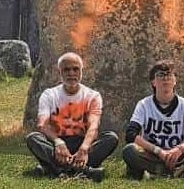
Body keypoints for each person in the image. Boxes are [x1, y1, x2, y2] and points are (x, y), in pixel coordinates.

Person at [26, 52, 118, 181]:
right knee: (33, 138)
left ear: (81, 71)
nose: (71, 73)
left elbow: (93, 125)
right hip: (56, 143)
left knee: (111, 138)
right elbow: (43, 125)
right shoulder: (49, 95)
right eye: (66, 69)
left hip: (82, 141)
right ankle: (84, 170)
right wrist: (58, 142)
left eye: (75, 69)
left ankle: (55, 169)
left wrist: (84, 148)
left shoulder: (93, 96)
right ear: (60, 72)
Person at [122, 59, 184, 179]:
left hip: (178, 156)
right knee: (130, 150)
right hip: (153, 155)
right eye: (160, 75)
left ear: (175, 81)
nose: (165, 79)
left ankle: (163, 172)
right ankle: (179, 172)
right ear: (153, 82)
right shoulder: (144, 105)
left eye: (169, 75)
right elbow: (130, 135)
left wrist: (180, 149)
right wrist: (158, 151)